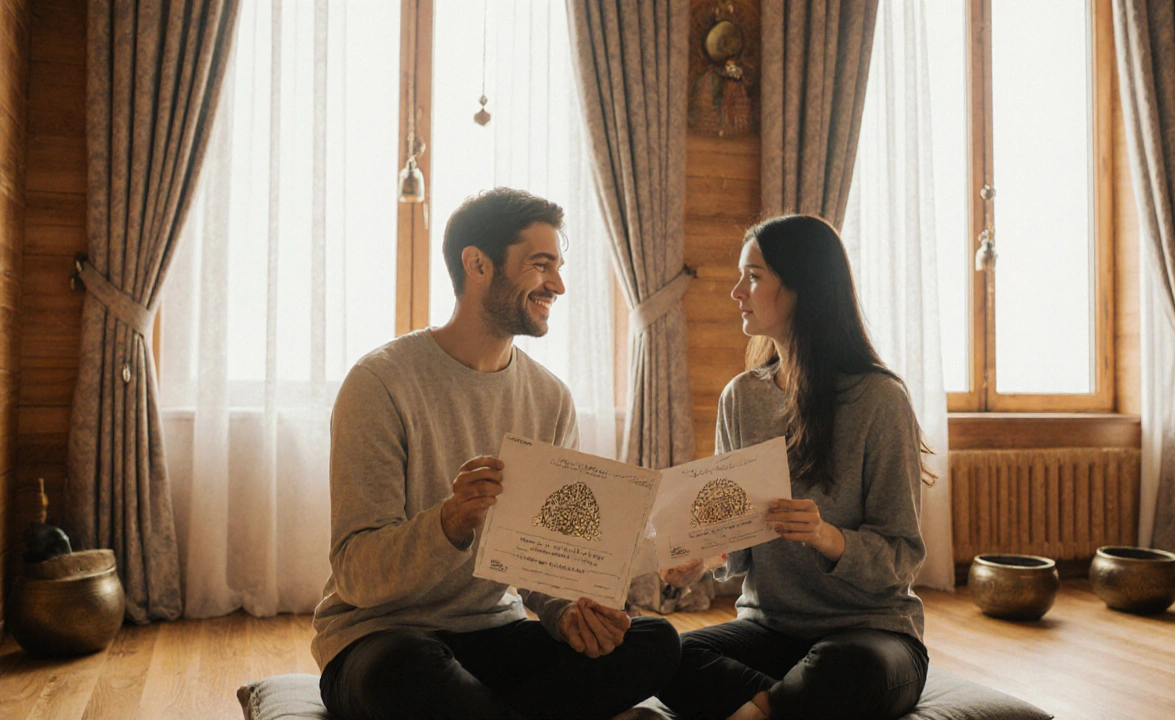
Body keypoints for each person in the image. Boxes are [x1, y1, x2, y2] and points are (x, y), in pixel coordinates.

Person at [312, 188, 679, 720]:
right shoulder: (379, 383)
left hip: (491, 633)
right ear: (477, 264)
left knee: (656, 640)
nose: (557, 284)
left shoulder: (550, 398)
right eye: (541, 264)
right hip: (383, 637)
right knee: (403, 674)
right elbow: (356, 576)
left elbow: (538, 560)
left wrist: (565, 611)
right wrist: (450, 523)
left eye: (558, 266)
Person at [657, 215, 931, 720]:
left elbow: (904, 556)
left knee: (852, 668)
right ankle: (788, 707)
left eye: (754, 277)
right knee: (665, 653)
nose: (737, 291)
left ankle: (759, 708)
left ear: (804, 286)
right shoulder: (741, 398)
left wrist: (827, 536)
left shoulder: (880, 399)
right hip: (771, 629)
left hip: (870, 633)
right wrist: (702, 557)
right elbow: (735, 540)